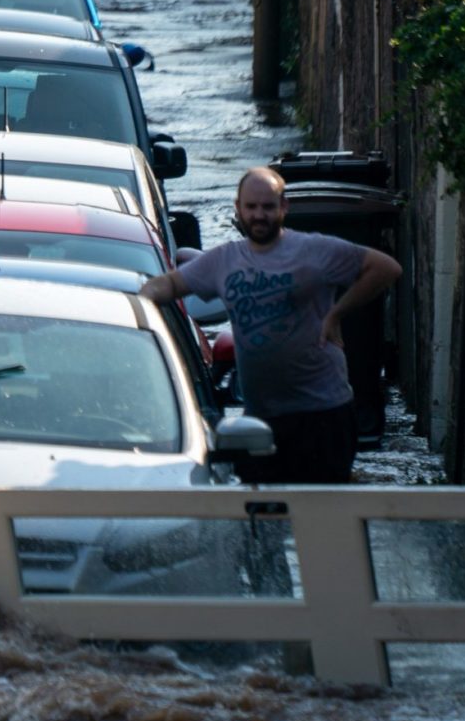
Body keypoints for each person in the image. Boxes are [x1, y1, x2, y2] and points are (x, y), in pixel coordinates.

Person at [139, 167, 401, 484]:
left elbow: (385, 268)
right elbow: (168, 286)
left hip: (323, 414)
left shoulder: (314, 250)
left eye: (267, 207)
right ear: (238, 210)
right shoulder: (224, 260)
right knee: (265, 519)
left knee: (324, 518)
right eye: (251, 207)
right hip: (262, 419)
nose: (259, 215)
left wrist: (336, 313)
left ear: (283, 208)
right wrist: (140, 302)